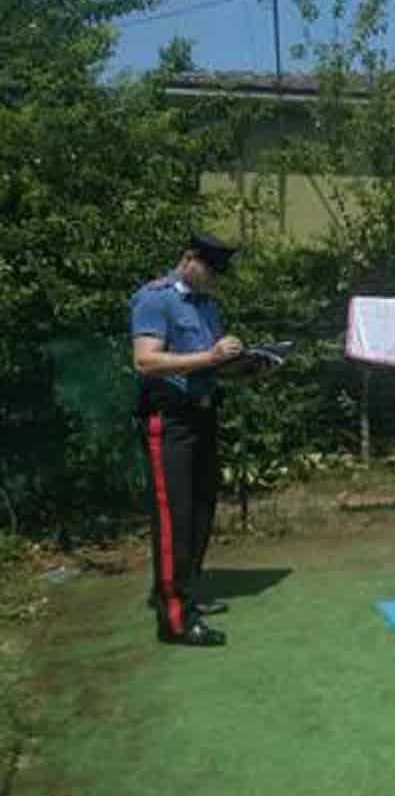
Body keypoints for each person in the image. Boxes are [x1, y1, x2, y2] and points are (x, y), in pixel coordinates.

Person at [130, 233, 249, 647]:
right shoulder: (155, 299)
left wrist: (244, 364)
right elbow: (145, 360)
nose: (215, 279)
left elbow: (210, 361)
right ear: (189, 259)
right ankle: (175, 621)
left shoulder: (207, 306)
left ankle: (182, 594)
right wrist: (211, 357)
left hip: (203, 415)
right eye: (211, 270)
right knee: (173, 516)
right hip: (170, 420)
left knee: (200, 511)